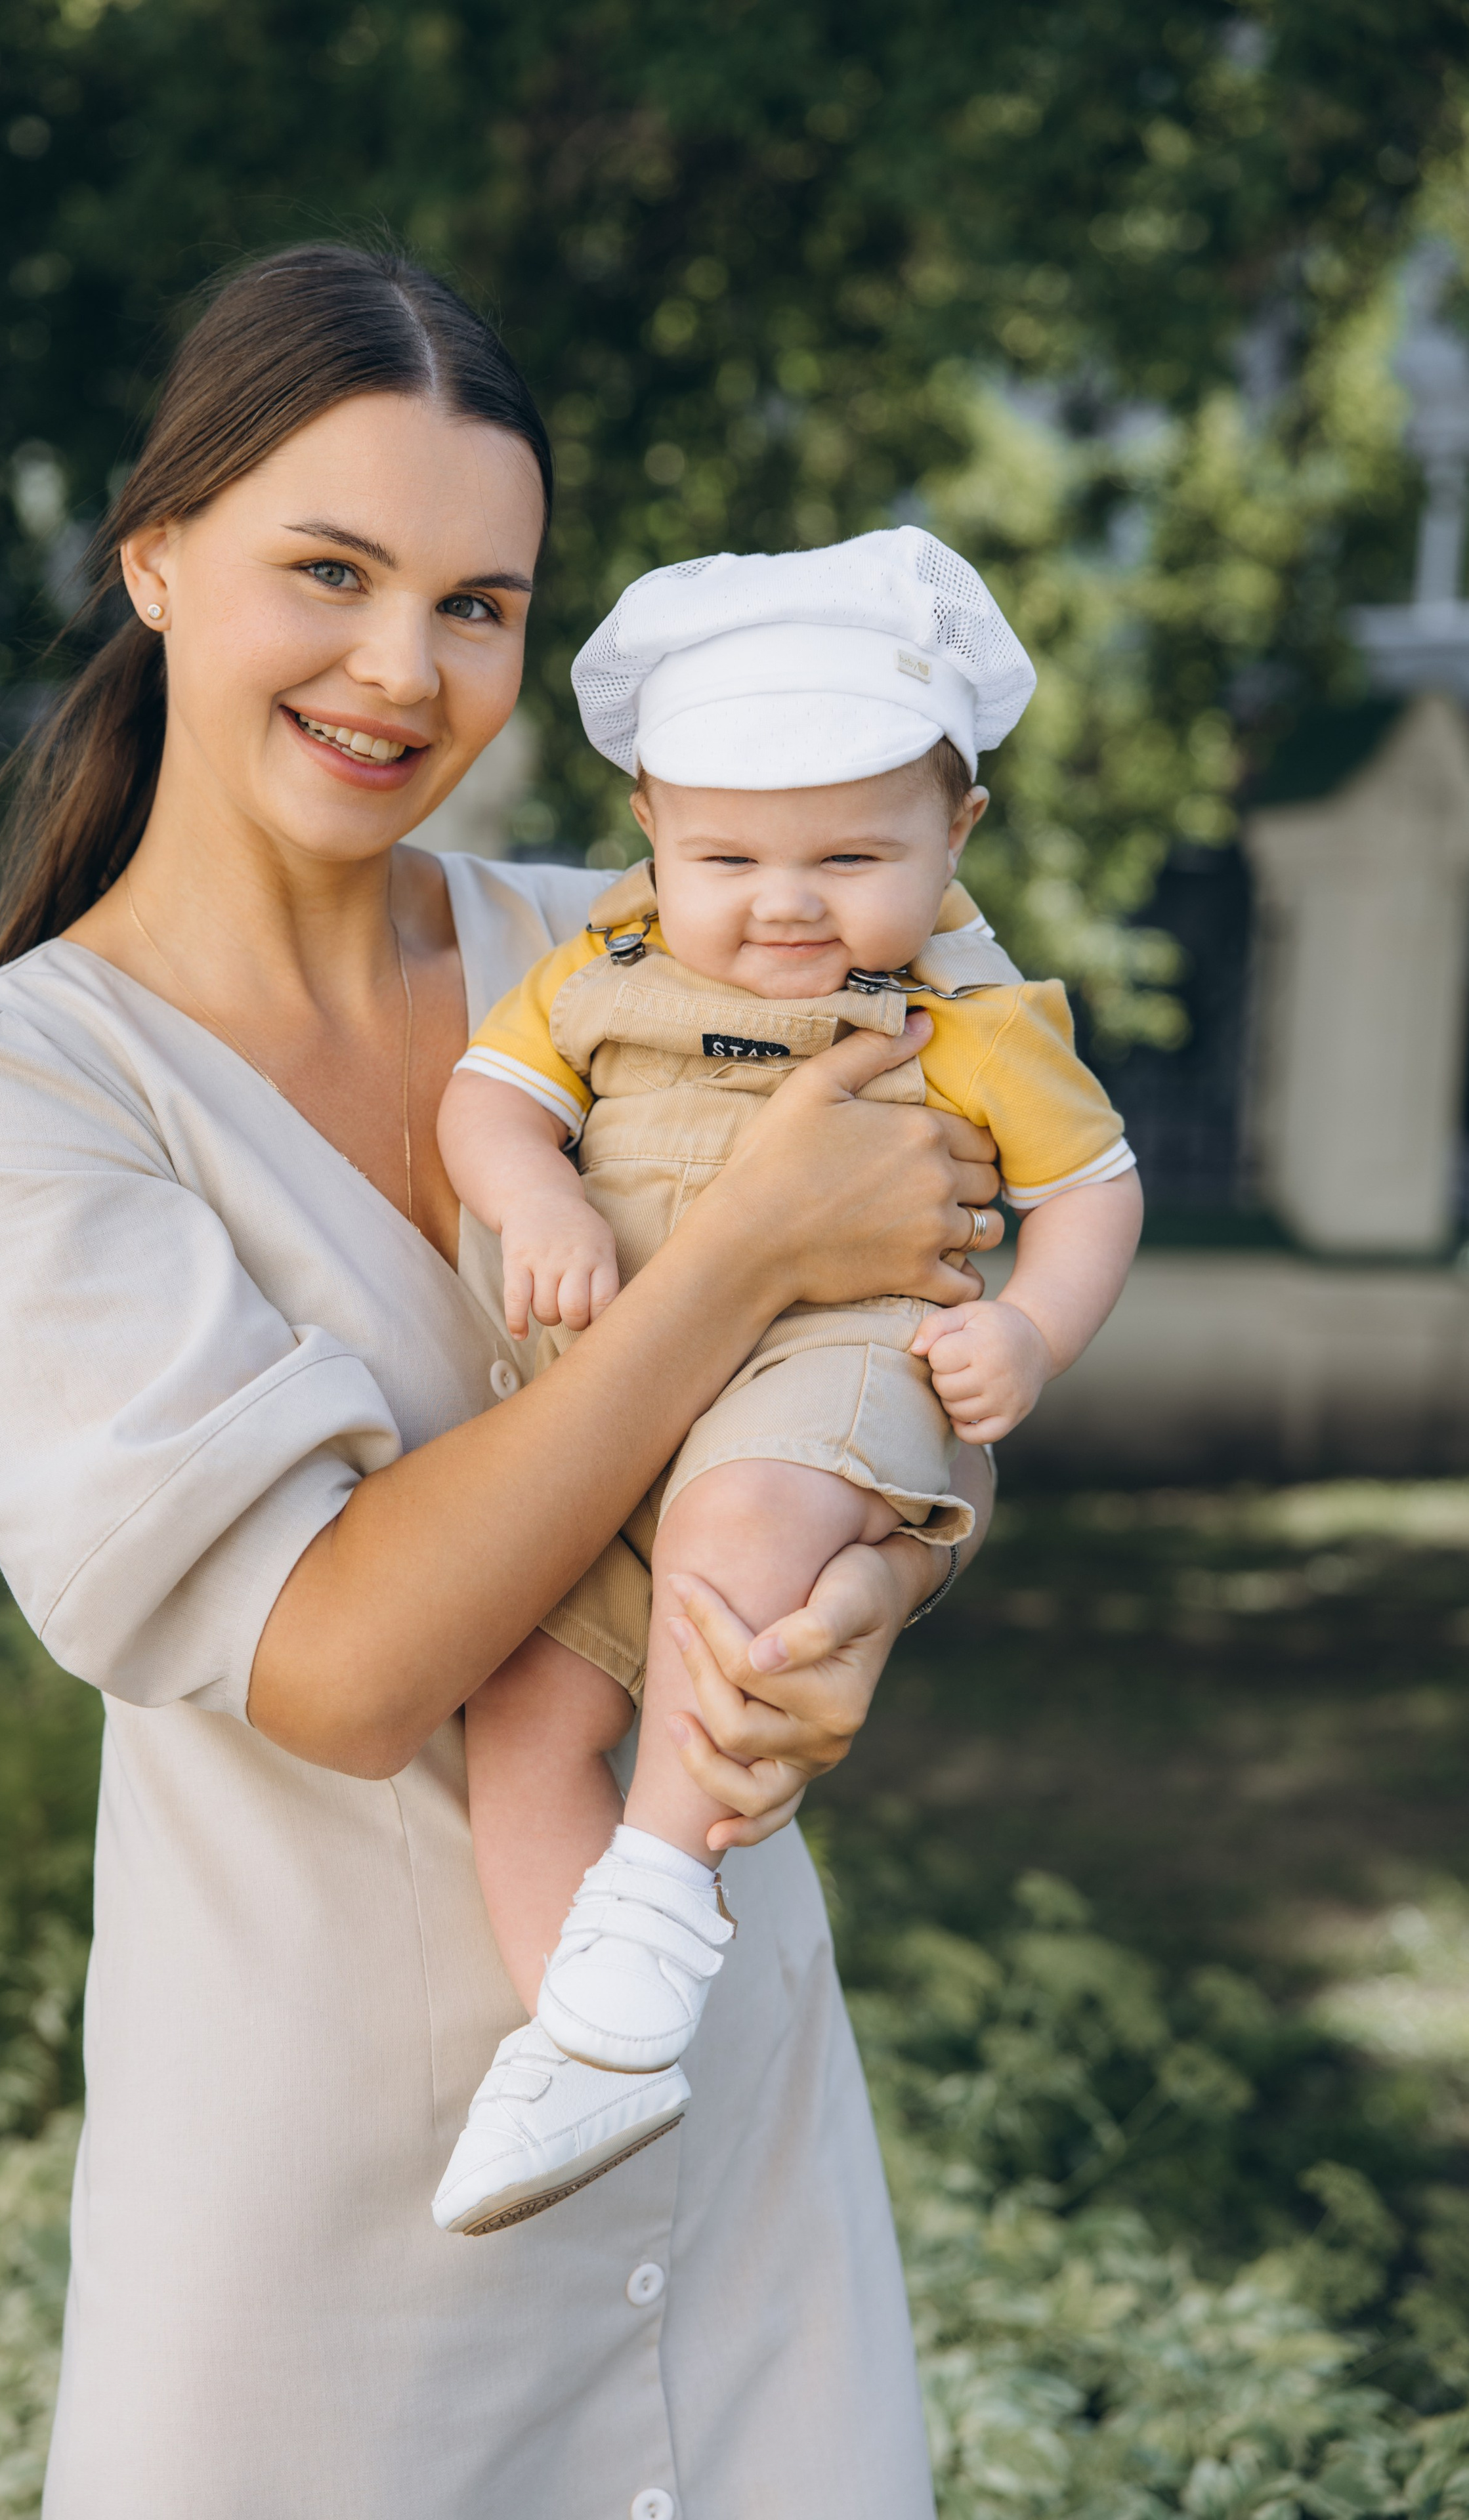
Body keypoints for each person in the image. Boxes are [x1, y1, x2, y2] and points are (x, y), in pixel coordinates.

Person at [0, 244, 1004, 2520]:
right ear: (159, 557)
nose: (406, 669)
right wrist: (743, 1249)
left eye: (478, 605)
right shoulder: (15, 1096)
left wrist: (871, 1594)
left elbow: (897, 1330)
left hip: (734, 2151)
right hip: (327, 2277)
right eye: (332, 571)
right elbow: (342, 1665)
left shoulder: (626, 944)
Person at [433, 532, 1143, 2233]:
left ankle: (662, 1891)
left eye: (851, 852)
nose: (786, 901)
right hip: (594, 1414)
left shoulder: (959, 1015)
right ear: (654, 834)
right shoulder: (601, 967)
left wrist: (1031, 1334)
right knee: (526, 1723)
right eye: (729, 853)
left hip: (815, 1377)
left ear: (956, 835)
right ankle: (595, 2051)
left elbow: (1091, 1193)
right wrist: (532, 1192)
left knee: (742, 1543)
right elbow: (489, 1094)